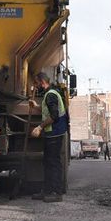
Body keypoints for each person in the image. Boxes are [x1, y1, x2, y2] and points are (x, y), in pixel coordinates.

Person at [29, 72, 68, 203]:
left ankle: (56, 192)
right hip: (52, 133)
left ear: (41, 81)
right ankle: (47, 190)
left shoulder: (51, 94)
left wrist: (39, 127)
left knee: (53, 163)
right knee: (48, 162)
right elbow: (47, 110)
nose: (36, 86)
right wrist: (36, 107)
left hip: (54, 133)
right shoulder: (50, 93)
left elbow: (54, 116)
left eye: (36, 83)